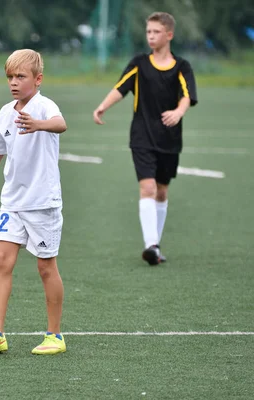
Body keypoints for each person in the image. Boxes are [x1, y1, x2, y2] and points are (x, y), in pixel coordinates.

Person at [0, 49, 68, 356]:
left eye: (20, 76)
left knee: (46, 268)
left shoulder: (45, 106)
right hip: (12, 202)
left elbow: (61, 124)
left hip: (42, 203)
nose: (13, 82)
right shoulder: (5, 112)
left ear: (37, 79)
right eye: (10, 76)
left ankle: (55, 335)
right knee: (1, 261)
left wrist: (39, 124)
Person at [92, 12, 197, 266]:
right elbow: (121, 88)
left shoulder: (181, 66)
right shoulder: (139, 63)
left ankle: (155, 247)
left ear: (169, 35)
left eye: (156, 32)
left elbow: (187, 95)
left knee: (161, 191)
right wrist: (103, 106)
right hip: (141, 136)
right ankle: (151, 244)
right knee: (147, 187)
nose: (151, 36)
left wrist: (178, 112)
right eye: (148, 32)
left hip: (169, 138)